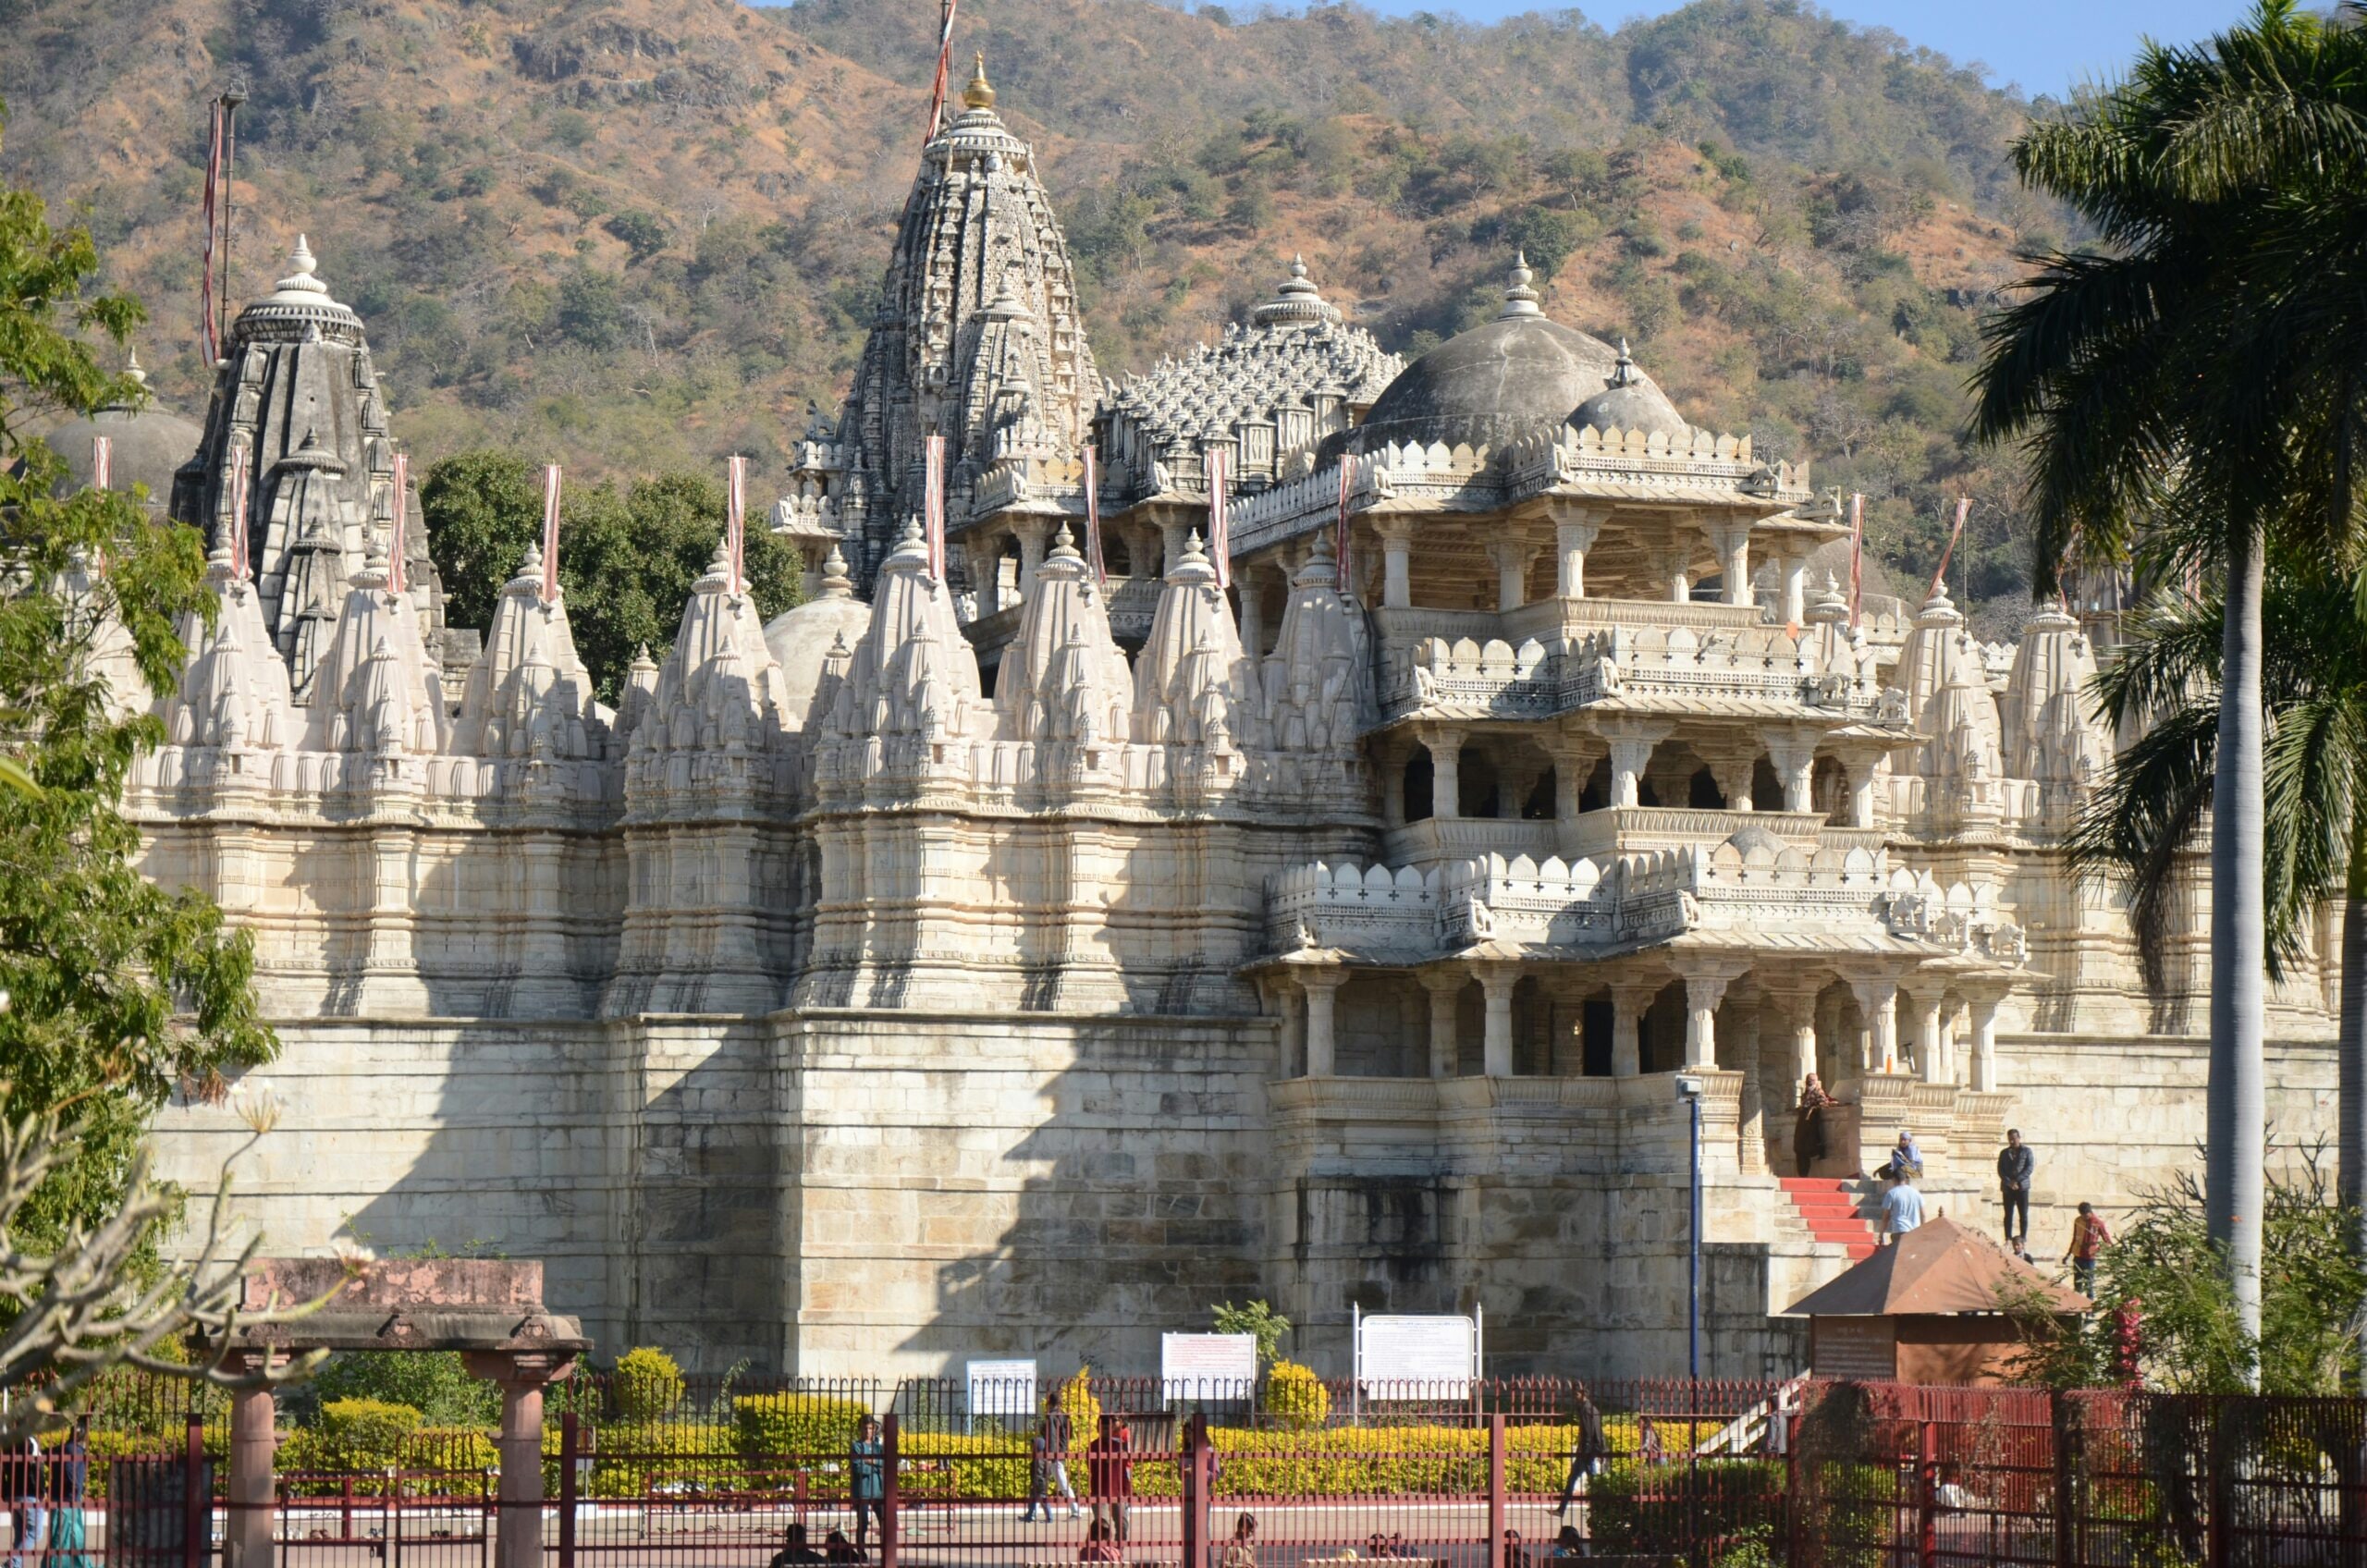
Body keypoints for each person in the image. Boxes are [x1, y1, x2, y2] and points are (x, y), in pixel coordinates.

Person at [1027, 1391, 1083, 1523]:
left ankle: (1076, 1510)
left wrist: (1050, 1455)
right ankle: (1032, 1513)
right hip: (1061, 1451)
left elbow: (1051, 1437)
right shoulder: (1064, 1415)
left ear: (1050, 1403)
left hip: (1053, 1455)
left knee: (1059, 1483)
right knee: (1040, 1483)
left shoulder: (1051, 1417)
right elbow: (1069, 1435)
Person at [1554, 1393, 1607, 1517]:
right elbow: (1599, 1431)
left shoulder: (1586, 1410)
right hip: (1590, 1451)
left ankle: (1599, 1507)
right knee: (1585, 1480)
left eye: (1576, 1393)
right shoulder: (1593, 1409)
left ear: (1582, 1394)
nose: (1574, 1396)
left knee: (1581, 1480)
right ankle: (1563, 1509)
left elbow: (1588, 1432)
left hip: (1586, 1452)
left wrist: (1585, 1451)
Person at [48, 1419, 92, 1568]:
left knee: (68, 1535)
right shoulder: (75, 1450)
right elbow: (69, 1470)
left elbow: (45, 1455)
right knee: (64, 1537)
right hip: (69, 1500)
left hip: (62, 1498)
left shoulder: (62, 1448)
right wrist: (75, 1487)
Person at [1087, 1414, 1134, 1543]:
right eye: (1103, 1428)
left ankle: (1119, 1552)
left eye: (1108, 1428)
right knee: (1103, 1527)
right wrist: (1107, 1459)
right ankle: (1102, 1553)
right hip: (1100, 1491)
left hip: (1117, 1491)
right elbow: (1091, 1466)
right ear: (1098, 1429)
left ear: (1112, 1428)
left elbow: (1124, 1470)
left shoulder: (1117, 1446)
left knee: (1123, 1524)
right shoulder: (1093, 1446)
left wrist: (1126, 1490)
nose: (1105, 1431)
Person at [849, 1415, 887, 1555]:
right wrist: (875, 1464)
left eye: (870, 1428)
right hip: (862, 1490)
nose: (868, 1431)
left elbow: (884, 1464)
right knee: (863, 1523)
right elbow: (858, 1468)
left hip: (878, 1489)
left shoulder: (878, 1447)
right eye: (865, 1428)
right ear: (860, 1429)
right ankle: (861, 1550)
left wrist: (871, 1462)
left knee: (884, 1521)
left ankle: (885, 1550)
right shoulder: (857, 1446)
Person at [1997, 1130, 2035, 1256]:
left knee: (2023, 1214)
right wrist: (2009, 1182)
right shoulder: (2004, 1153)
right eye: (2010, 1139)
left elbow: (2029, 1168)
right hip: (2008, 1188)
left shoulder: (2026, 1151)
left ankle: (2023, 1237)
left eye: (2014, 1138)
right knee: (2008, 1213)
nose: (2012, 1141)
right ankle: (2008, 1236)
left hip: (2022, 1186)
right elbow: (2000, 1170)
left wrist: (2017, 1180)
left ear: (2019, 1137)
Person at [1794, 1073, 1834, 1177]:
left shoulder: (1818, 1091)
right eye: (1808, 1079)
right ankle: (1802, 1173)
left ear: (1816, 1081)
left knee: (1808, 1147)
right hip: (1803, 1122)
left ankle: (1805, 1172)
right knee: (1799, 1148)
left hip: (1811, 1123)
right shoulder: (1806, 1092)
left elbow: (1824, 1103)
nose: (1810, 1081)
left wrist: (1812, 1109)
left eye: (1812, 1079)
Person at [2067, 1201, 2113, 1295]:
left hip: (2089, 1258)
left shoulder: (2098, 1223)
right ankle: (2077, 1307)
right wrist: (2068, 1254)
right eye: (2082, 1215)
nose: (2084, 1218)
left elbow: (2107, 1241)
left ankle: (2090, 1308)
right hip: (2078, 1256)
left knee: (2089, 1285)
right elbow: (2074, 1237)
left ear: (2090, 1212)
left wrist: (2097, 1249)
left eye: (2086, 1216)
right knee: (2077, 1284)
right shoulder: (2078, 1221)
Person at [1880, 1171, 1925, 1242]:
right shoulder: (1916, 1193)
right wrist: (1923, 1230)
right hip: (1915, 1230)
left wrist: (1881, 1234)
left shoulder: (1892, 1193)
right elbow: (1923, 1214)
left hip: (1899, 1229)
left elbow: (1886, 1217)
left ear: (1894, 1179)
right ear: (1905, 1179)